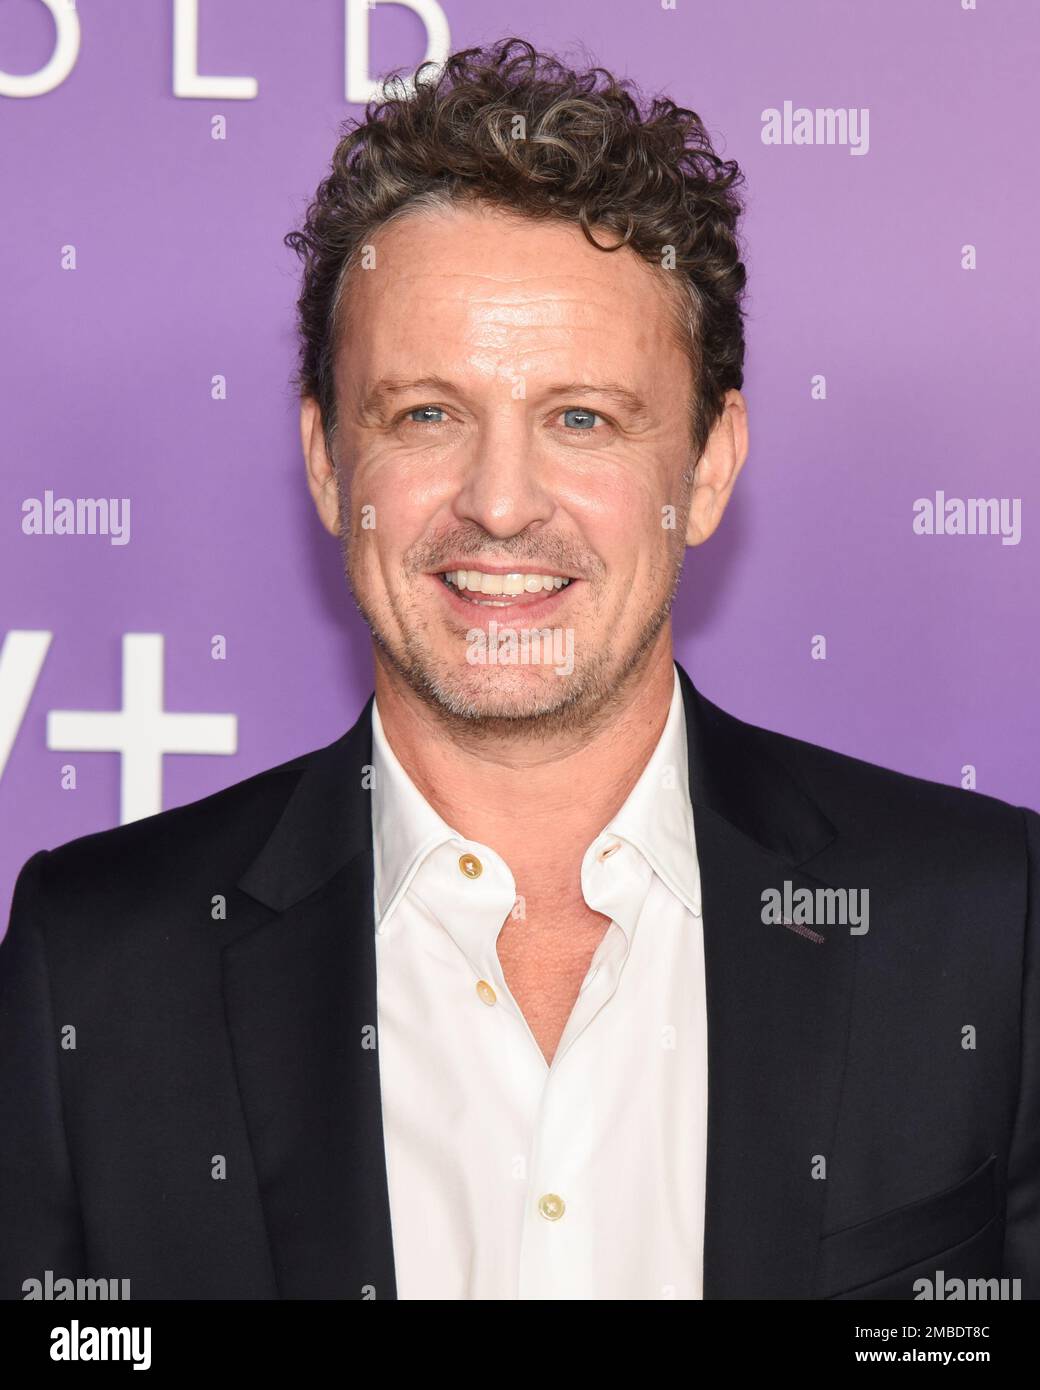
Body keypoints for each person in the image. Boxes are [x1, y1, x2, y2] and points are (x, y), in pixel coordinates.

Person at [1, 37, 1037, 1302]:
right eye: (425, 414)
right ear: (326, 463)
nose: (498, 504)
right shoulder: (100, 962)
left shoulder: (983, 923)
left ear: (708, 466)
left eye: (580, 417)